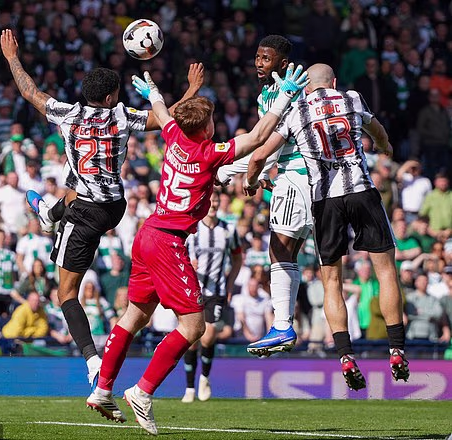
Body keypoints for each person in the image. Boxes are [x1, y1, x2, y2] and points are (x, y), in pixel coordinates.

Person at [86, 63, 307, 432]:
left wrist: (154, 93)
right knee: (194, 326)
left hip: (147, 234)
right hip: (168, 241)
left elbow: (162, 114)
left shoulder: (174, 137)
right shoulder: (208, 152)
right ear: (206, 128)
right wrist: (284, 97)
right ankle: (142, 391)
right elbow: (256, 137)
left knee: (134, 316)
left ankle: (102, 389)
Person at [0, 28, 204, 390]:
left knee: (65, 294)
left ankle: (92, 360)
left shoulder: (68, 115)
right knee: (73, 181)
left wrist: (12, 58)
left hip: (86, 212)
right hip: (115, 206)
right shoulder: (122, 116)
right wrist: (191, 89)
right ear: (110, 97)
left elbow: (31, 92)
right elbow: (166, 117)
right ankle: (50, 213)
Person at [246, 63, 409, 391]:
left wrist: (252, 179)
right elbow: (378, 132)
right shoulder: (351, 98)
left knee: (332, 281)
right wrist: (385, 147)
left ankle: (345, 355)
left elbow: (260, 154)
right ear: (334, 82)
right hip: (362, 192)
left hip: (324, 202)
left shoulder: (296, 111)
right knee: (386, 272)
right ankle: (396, 349)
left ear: (306, 88)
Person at [217, 35, 313, 357]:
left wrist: (233, 172)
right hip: (294, 175)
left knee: (279, 251)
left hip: (297, 175)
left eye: (266, 58)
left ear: (283, 63)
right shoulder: (266, 94)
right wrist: (250, 173)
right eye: (257, 57)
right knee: (290, 253)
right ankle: (286, 326)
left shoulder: (290, 92)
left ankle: (283, 326)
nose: (259, 63)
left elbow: (270, 148)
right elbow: (263, 145)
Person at [181, 190, 243, 403]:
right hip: (192, 290)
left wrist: (230, 283)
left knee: (208, 336)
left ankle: (204, 378)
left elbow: (237, 259)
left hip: (216, 291)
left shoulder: (228, 230)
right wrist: (188, 264)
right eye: (211, 200)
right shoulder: (192, 229)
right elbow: (177, 255)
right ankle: (189, 387)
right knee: (191, 340)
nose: (214, 204)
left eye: (217, 200)